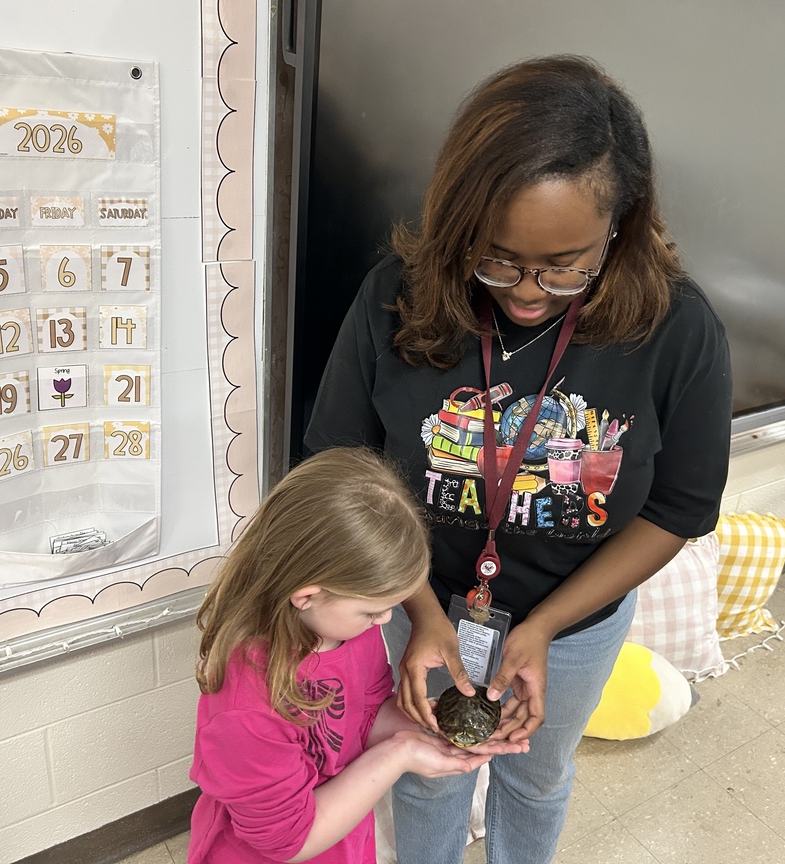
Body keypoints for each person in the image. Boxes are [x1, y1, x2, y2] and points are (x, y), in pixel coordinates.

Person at [304, 55, 732, 864]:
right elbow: (340, 465)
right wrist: (420, 611)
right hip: (421, 605)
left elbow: (680, 508)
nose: (528, 292)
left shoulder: (676, 328)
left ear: (619, 228)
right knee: (427, 773)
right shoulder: (396, 295)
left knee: (536, 779)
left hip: (575, 624)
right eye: (495, 257)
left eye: (565, 265)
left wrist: (545, 626)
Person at [188, 447, 524, 863]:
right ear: (307, 596)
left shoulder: (346, 632)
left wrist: (430, 725)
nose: (385, 620)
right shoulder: (245, 709)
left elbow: (360, 719)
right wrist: (398, 755)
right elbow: (287, 842)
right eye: (372, 610)